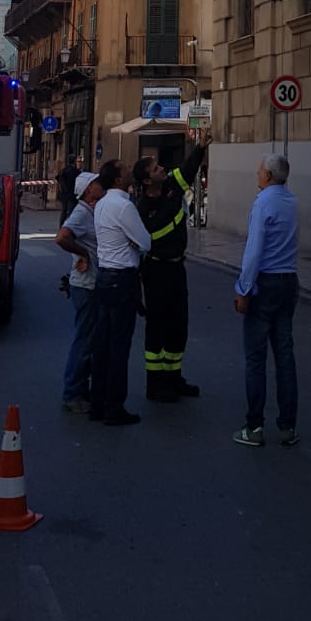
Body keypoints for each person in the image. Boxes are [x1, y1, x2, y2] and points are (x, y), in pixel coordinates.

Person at [133, 137, 208, 403]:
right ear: (147, 181)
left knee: (178, 325)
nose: (162, 169)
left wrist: (200, 148)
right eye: (155, 169)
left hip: (177, 268)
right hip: (156, 270)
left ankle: (174, 377)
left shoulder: (172, 185)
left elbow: (187, 169)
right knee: (157, 327)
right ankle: (155, 383)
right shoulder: (142, 208)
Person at [232, 153, 300, 449]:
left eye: (260, 171)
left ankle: (255, 425)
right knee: (285, 357)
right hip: (288, 281)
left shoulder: (263, 203)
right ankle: (288, 426)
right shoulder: (292, 202)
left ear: (268, 176)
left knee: (256, 358)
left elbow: (254, 250)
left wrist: (243, 288)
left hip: (265, 283)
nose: (257, 174)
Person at [88, 159, 150, 427]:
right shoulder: (124, 206)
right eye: (124, 169)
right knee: (119, 345)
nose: (129, 170)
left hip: (104, 276)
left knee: (102, 343)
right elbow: (146, 242)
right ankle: (114, 406)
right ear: (117, 179)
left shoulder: (102, 204)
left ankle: (97, 403)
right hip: (123, 279)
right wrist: (134, 241)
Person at [55, 170, 103, 413]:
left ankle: (82, 390)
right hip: (85, 285)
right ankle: (72, 394)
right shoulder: (81, 213)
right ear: (88, 190)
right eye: (97, 183)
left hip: (91, 283)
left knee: (90, 340)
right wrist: (83, 254)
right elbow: (62, 237)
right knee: (84, 341)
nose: (101, 185)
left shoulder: (92, 211)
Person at [55, 157, 82, 226]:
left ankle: (61, 225)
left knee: (64, 210)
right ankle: (69, 225)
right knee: (71, 210)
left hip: (64, 194)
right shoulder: (75, 171)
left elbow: (57, 177)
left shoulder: (64, 170)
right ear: (74, 162)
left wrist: (63, 186)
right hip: (72, 194)